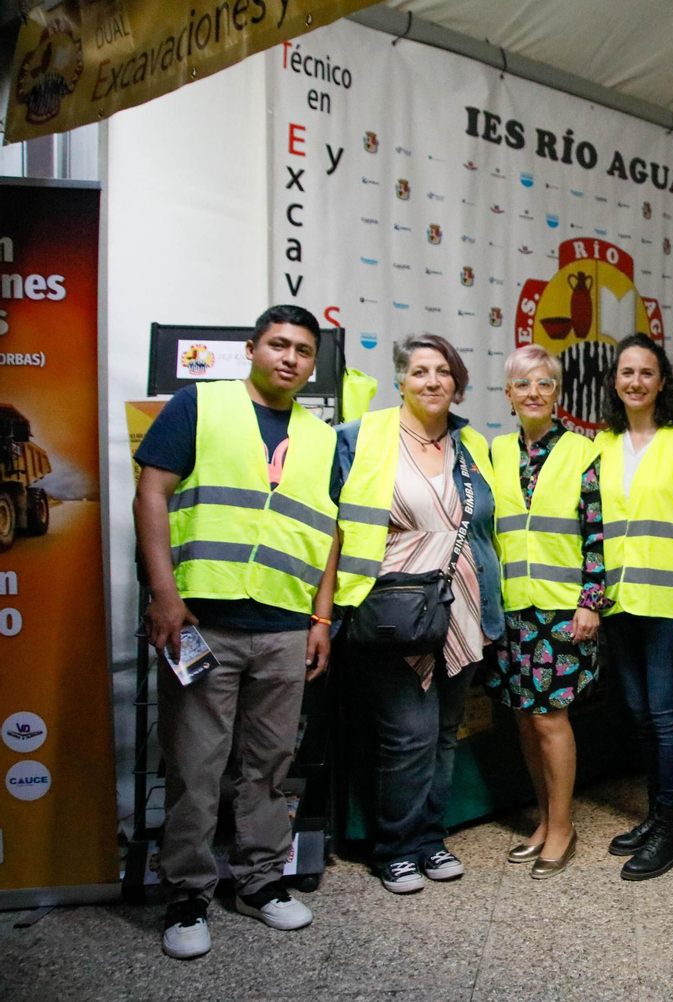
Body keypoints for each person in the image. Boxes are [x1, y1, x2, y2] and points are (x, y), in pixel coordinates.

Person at [133, 305, 336, 959]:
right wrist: (164, 594)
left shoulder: (323, 438)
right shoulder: (200, 405)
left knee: (269, 767)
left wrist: (321, 618)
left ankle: (259, 882)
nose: (290, 358)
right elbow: (151, 493)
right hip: (203, 622)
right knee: (195, 767)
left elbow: (331, 531)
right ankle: (187, 895)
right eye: (278, 344)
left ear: (313, 364)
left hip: (284, 627)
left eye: (303, 350)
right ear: (252, 349)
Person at [332, 334, 502, 894]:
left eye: (444, 372)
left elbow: (482, 525)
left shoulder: (471, 443)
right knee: (409, 734)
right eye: (421, 371)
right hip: (394, 610)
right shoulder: (359, 437)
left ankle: (431, 839)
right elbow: (331, 526)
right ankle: (396, 849)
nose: (433, 381)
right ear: (401, 379)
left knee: (446, 733)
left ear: (457, 383)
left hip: (463, 606)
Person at [597, 333, 673, 881]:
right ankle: (654, 814)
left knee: (668, 715)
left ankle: (672, 832)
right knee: (640, 713)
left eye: (646, 372)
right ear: (614, 381)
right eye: (627, 372)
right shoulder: (601, 444)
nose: (636, 381)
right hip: (619, 599)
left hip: (671, 600)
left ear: (662, 381)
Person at [487, 344, 605, 878]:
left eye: (544, 383)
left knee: (549, 717)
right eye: (523, 384)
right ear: (508, 394)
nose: (533, 393)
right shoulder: (494, 452)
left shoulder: (582, 451)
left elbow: (598, 533)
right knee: (524, 718)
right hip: (511, 606)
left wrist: (590, 602)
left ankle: (563, 827)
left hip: (563, 609)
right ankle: (544, 818)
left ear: (557, 392)